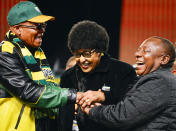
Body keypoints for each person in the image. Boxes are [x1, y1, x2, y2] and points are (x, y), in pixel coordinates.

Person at [0, 1, 82, 131]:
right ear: (17, 29)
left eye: (43, 26)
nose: (42, 31)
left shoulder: (37, 54)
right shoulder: (5, 54)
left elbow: (51, 89)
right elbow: (28, 92)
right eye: (37, 26)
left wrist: (73, 104)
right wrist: (74, 96)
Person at [80, 36, 176, 131]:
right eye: (139, 50)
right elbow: (128, 104)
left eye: (146, 51)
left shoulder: (159, 81)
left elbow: (122, 117)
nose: (137, 54)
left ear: (164, 60)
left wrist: (92, 110)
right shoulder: (155, 80)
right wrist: (104, 96)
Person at [59, 20, 137, 131]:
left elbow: (133, 108)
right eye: (77, 54)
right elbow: (63, 118)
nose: (82, 60)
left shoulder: (123, 71)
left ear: (100, 51)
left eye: (87, 54)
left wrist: (105, 96)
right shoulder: (68, 76)